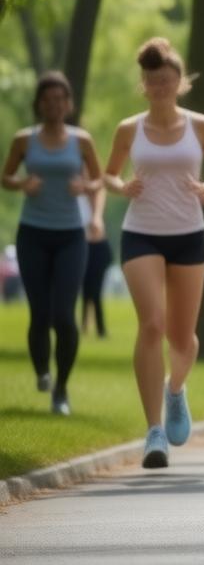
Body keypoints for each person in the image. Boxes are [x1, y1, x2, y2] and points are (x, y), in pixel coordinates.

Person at [104, 39, 204, 465]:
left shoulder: (201, 126)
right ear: (144, 85)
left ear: (180, 82)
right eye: (152, 81)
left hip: (188, 234)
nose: (159, 86)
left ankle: (175, 389)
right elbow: (107, 175)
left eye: (166, 80)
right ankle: (153, 431)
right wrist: (121, 186)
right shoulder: (129, 129)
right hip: (141, 233)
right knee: (152, 325)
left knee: (183, 339)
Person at [2, 71, 102, 415]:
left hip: (71, 235)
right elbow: (6, 176)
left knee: (64, 314)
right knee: (40, 312)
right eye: (47, 100)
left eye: (60, 99)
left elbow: (101, 178)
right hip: (32, 233)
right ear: (38, 105)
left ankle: (61, 389)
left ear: (69, 104)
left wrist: (86, 191)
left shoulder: (82, 140)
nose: (54, 105)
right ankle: (42, 371)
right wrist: (21, 184)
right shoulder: (23, 140)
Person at [80, 187, 113, 338]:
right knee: (86, 293)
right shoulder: (78, 197)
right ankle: (85, 325)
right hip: (84, 249)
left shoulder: (96, 199)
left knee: (95, 293)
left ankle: (99, 328)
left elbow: (100, 189)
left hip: (97, 251)